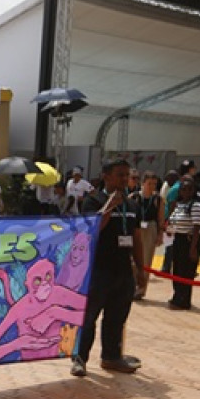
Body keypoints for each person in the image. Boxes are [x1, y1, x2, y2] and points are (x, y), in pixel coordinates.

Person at [70, 158, 145, 377]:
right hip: (98, 271)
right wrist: (109, 206)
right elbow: (91, 231)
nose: (124, 179)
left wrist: (141, 270)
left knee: (116, 317)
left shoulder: (132, 205)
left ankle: (111, 357)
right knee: (88, 318)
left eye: (127, 175)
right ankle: (79, 359)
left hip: (123, 272)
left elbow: (137, 238)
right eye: (120, 175)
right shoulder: (92, 202)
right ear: (106, 176)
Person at [165, 175, 200, 310]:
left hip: (189, 241)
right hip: (178, 239)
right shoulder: (179, 205)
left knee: (187, 271)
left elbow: (197, 228)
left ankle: (184, 300)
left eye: (189, 189)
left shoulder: (195, 205)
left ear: (193, 191)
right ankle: (177, 296)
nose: (186, 192)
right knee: (177, 269)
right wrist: (169, 229)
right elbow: (173, 221)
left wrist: (193, 249)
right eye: (183, 189)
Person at [130, 171, 163, 300]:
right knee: (132, 258)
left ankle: (141, 289)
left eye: (154, 184)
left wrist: (160, 234)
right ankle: (131, 286)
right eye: (149, 183)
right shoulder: (134, 197)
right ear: (143, 183)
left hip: (150, 228)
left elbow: (160, 219)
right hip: (136, 227)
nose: (152, 186)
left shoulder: (158, 199)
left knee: (147, 259)